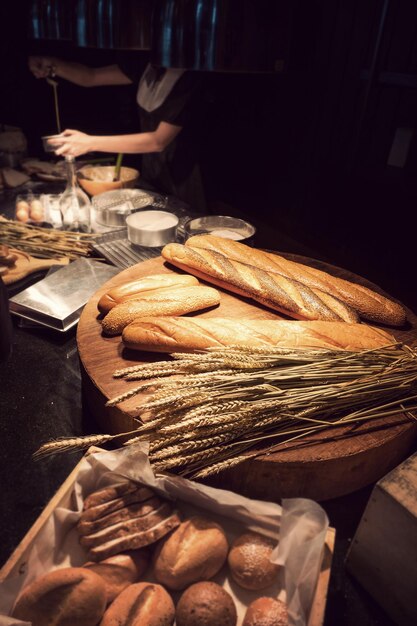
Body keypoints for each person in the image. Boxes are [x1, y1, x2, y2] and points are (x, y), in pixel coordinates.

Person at [28, 56, 207, 211]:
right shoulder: (149, 65)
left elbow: (158, 141)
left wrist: (89, 142)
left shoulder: (191, 76)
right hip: (153, 169)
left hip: (185, 173)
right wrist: (53, 64)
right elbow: (91, 76)